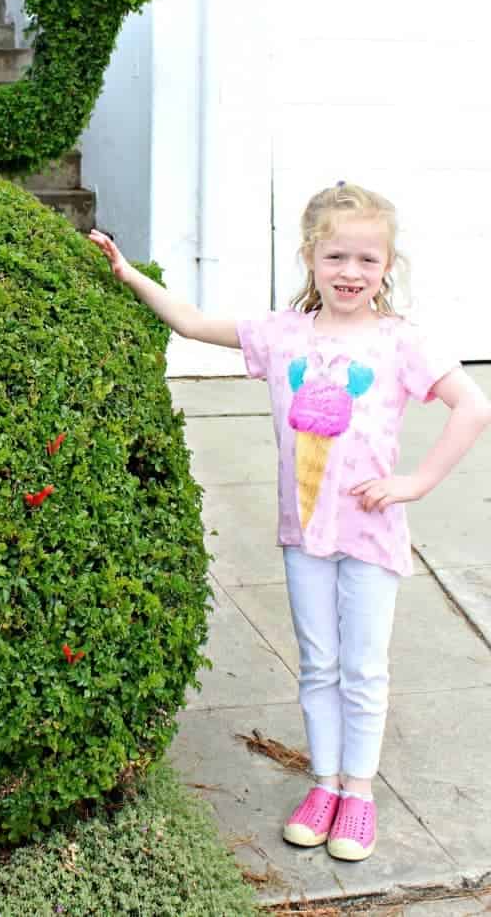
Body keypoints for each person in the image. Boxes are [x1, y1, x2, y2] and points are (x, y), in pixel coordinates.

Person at [89, 182, 491, 862]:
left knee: (362, 668)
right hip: (305, 534)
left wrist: (412, 483)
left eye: (368, 259)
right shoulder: (282, 335)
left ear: (388, 264)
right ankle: (324, 784)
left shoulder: (399, 342)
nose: (351, 273)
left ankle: (358, 793)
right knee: (318, 663)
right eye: (337, 255)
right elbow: (190, 323)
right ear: (310, 256)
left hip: (369, 536)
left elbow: (472, 406)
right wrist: (129, 276)